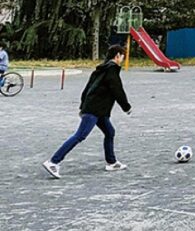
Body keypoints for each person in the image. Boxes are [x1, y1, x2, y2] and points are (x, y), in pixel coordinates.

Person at [43, 45, 132, 179]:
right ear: (117, 55)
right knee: (80, 135)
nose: (123, 58)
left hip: (97, 109)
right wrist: (126, 107)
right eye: (123, 56)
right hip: (94, 109)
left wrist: (82, 106)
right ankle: (53, 162)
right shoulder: (112, 70)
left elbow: (87, 89)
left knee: (109, 132)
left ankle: (112, 162)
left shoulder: (101, 69)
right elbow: (117, 90)